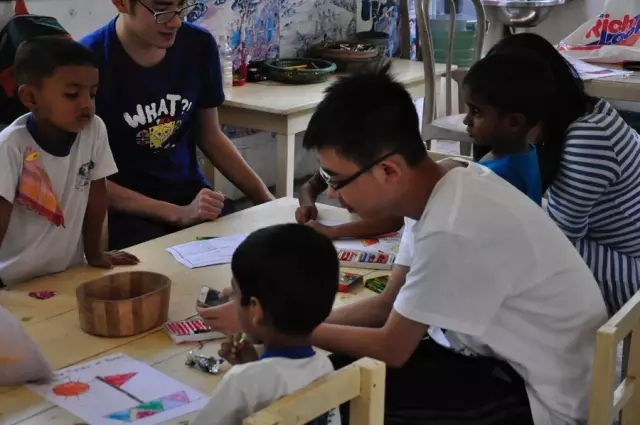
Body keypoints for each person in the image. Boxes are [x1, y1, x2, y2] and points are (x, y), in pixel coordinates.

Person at [301, 64, 607, 425]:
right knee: (324, 372)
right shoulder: (442, 182)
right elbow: (387, 306)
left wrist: (284, 329)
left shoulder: (453, 226)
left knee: (334, 404)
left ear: (389, 171)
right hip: (502, 362)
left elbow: (392, 347)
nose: (333, 194)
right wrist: (300, 325)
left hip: (541, 398)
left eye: (336, 179)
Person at [80, 0, 274, 250]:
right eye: (162, 9)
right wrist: (177, 213)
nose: (175, 21)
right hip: (126, 211)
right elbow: (85, 178)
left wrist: (269, 203)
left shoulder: (198, 46)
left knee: (243, 258)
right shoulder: (88, 62)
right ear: (121, 3)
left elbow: (211, 137)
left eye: (182, 6)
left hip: (189, 195)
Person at [490, 33, 640, 315]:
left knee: (514, 253)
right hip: (610, 248)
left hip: (632, 276)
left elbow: (558, 240)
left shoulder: (589, 136)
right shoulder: (582, 113)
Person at [0, 37, 139, 286]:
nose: (86, 104)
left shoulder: (93, 129)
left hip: (68, 273)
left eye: (93, 93)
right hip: (14, 281)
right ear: (30, 97)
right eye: (72, 94)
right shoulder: (10, 146)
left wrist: (94, 252)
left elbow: (97, 193)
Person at [190, 224, 340, 425]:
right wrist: (254, 366)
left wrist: (250, 372)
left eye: (235, 293)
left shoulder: (242, 382)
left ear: (255, 310)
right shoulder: (325, 367)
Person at [461, 52, 545, 205]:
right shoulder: (527, 152)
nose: (466, 120)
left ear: (514, 123)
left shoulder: (502, 175)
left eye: (476, 112)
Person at [296, 170, 404, 239]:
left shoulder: (384, 172)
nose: (330, 195)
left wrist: (332, 231)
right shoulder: (335, 163)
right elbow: (311, 185)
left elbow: (394, 221)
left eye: (337, 185)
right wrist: (308, 205)